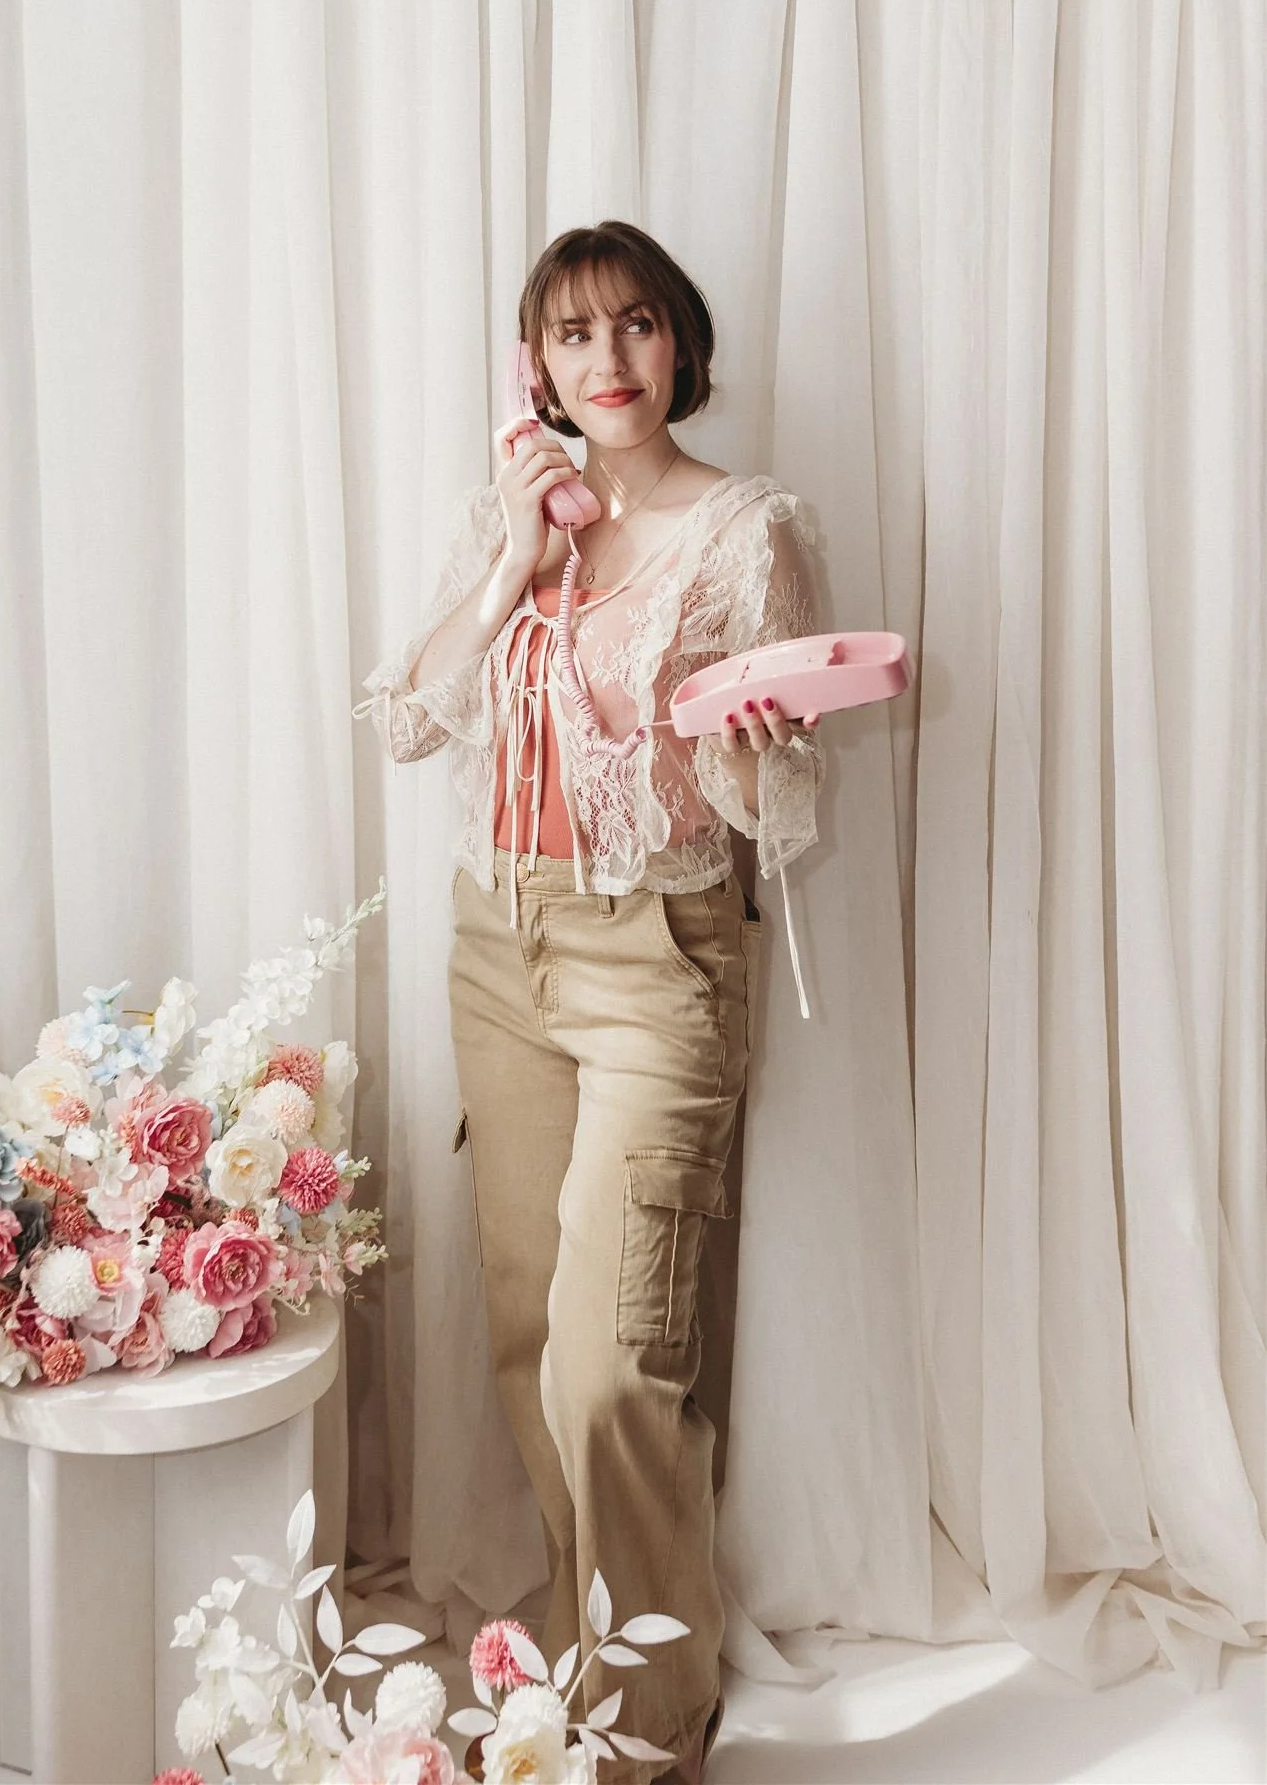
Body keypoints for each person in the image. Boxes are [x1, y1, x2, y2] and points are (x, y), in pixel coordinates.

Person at [360, 220, 824, 1784]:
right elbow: (411, 722)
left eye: (635, 328)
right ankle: (594, 1656)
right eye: (571, 336)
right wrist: (512, 556)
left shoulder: (750, 527)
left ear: (680, 345)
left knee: (613, 1358)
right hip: (499, 943)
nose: (607, 362)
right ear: (535, 365)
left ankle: (643, 1733)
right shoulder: (515, 519)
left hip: (659, 959)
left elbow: (782, 812)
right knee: (522, 1332)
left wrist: (754, 741)